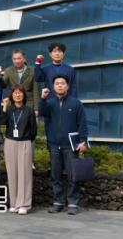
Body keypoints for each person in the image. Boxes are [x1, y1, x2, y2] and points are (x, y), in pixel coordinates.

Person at [41, 75, 88, 215]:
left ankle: (73, 203)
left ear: (67, 86)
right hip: (54, 145)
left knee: (73, 175)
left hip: (71, 146)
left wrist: (83, 141)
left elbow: (82, 124)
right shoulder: (49, 103)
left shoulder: (76, 103)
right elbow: (42, 113)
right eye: (57, 83)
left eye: (62, 83)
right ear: (53, 86)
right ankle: (58, 202)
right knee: (55, 175)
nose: (60, 85)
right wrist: (43, 99)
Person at [0, 85, 37, 215]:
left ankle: (24, 204)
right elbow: (2, 122)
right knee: (12, 173)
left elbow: (34, 130)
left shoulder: (29, 110)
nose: (17, 95)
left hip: (25, 142)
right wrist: (4, 106)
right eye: (15, 93)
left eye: (20, 93)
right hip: (10, 142)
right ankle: (14, 203)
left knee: (24, 173)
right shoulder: (9, 109)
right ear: (12, 96)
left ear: (24, 95)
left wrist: (26, 140)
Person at [0, 49, 39, 116]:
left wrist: (36, 108)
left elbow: (36, 91)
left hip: (29, 104)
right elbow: (3, 85)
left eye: (19, 58)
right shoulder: (8, 70)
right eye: (14, 59)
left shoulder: (32, 70)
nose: (17, 61)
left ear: (24, 59)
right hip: (13, 104)